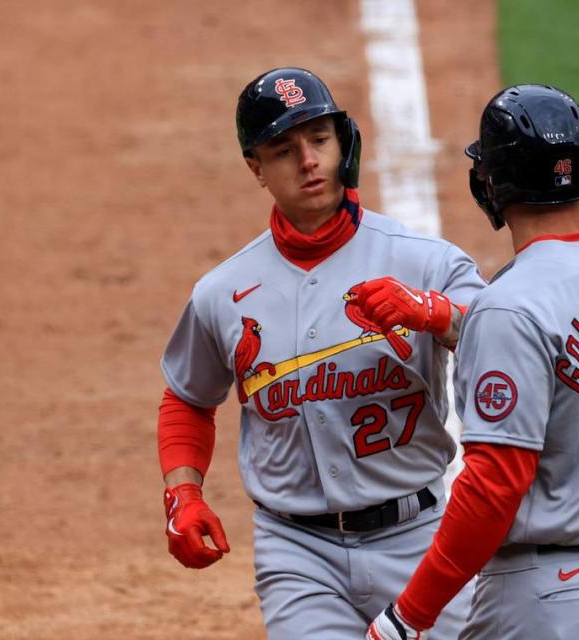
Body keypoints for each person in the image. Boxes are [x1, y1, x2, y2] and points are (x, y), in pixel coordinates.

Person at [156, 67, 484, 639]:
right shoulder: (223, 294)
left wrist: (434, 313)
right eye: (284, 149)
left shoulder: (426, 263)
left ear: (343, 143)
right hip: (297, 552)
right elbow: (187, 398)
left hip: (419, 538)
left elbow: (505, 348)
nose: (308, 161)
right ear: (255, 168)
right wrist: (183, 492)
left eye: (320, 140)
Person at [363, 84, 579, 640]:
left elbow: (493, 485)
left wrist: (409, 615)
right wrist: (451, 320)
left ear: (495, 181)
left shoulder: (511, 301)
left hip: (548, 601)